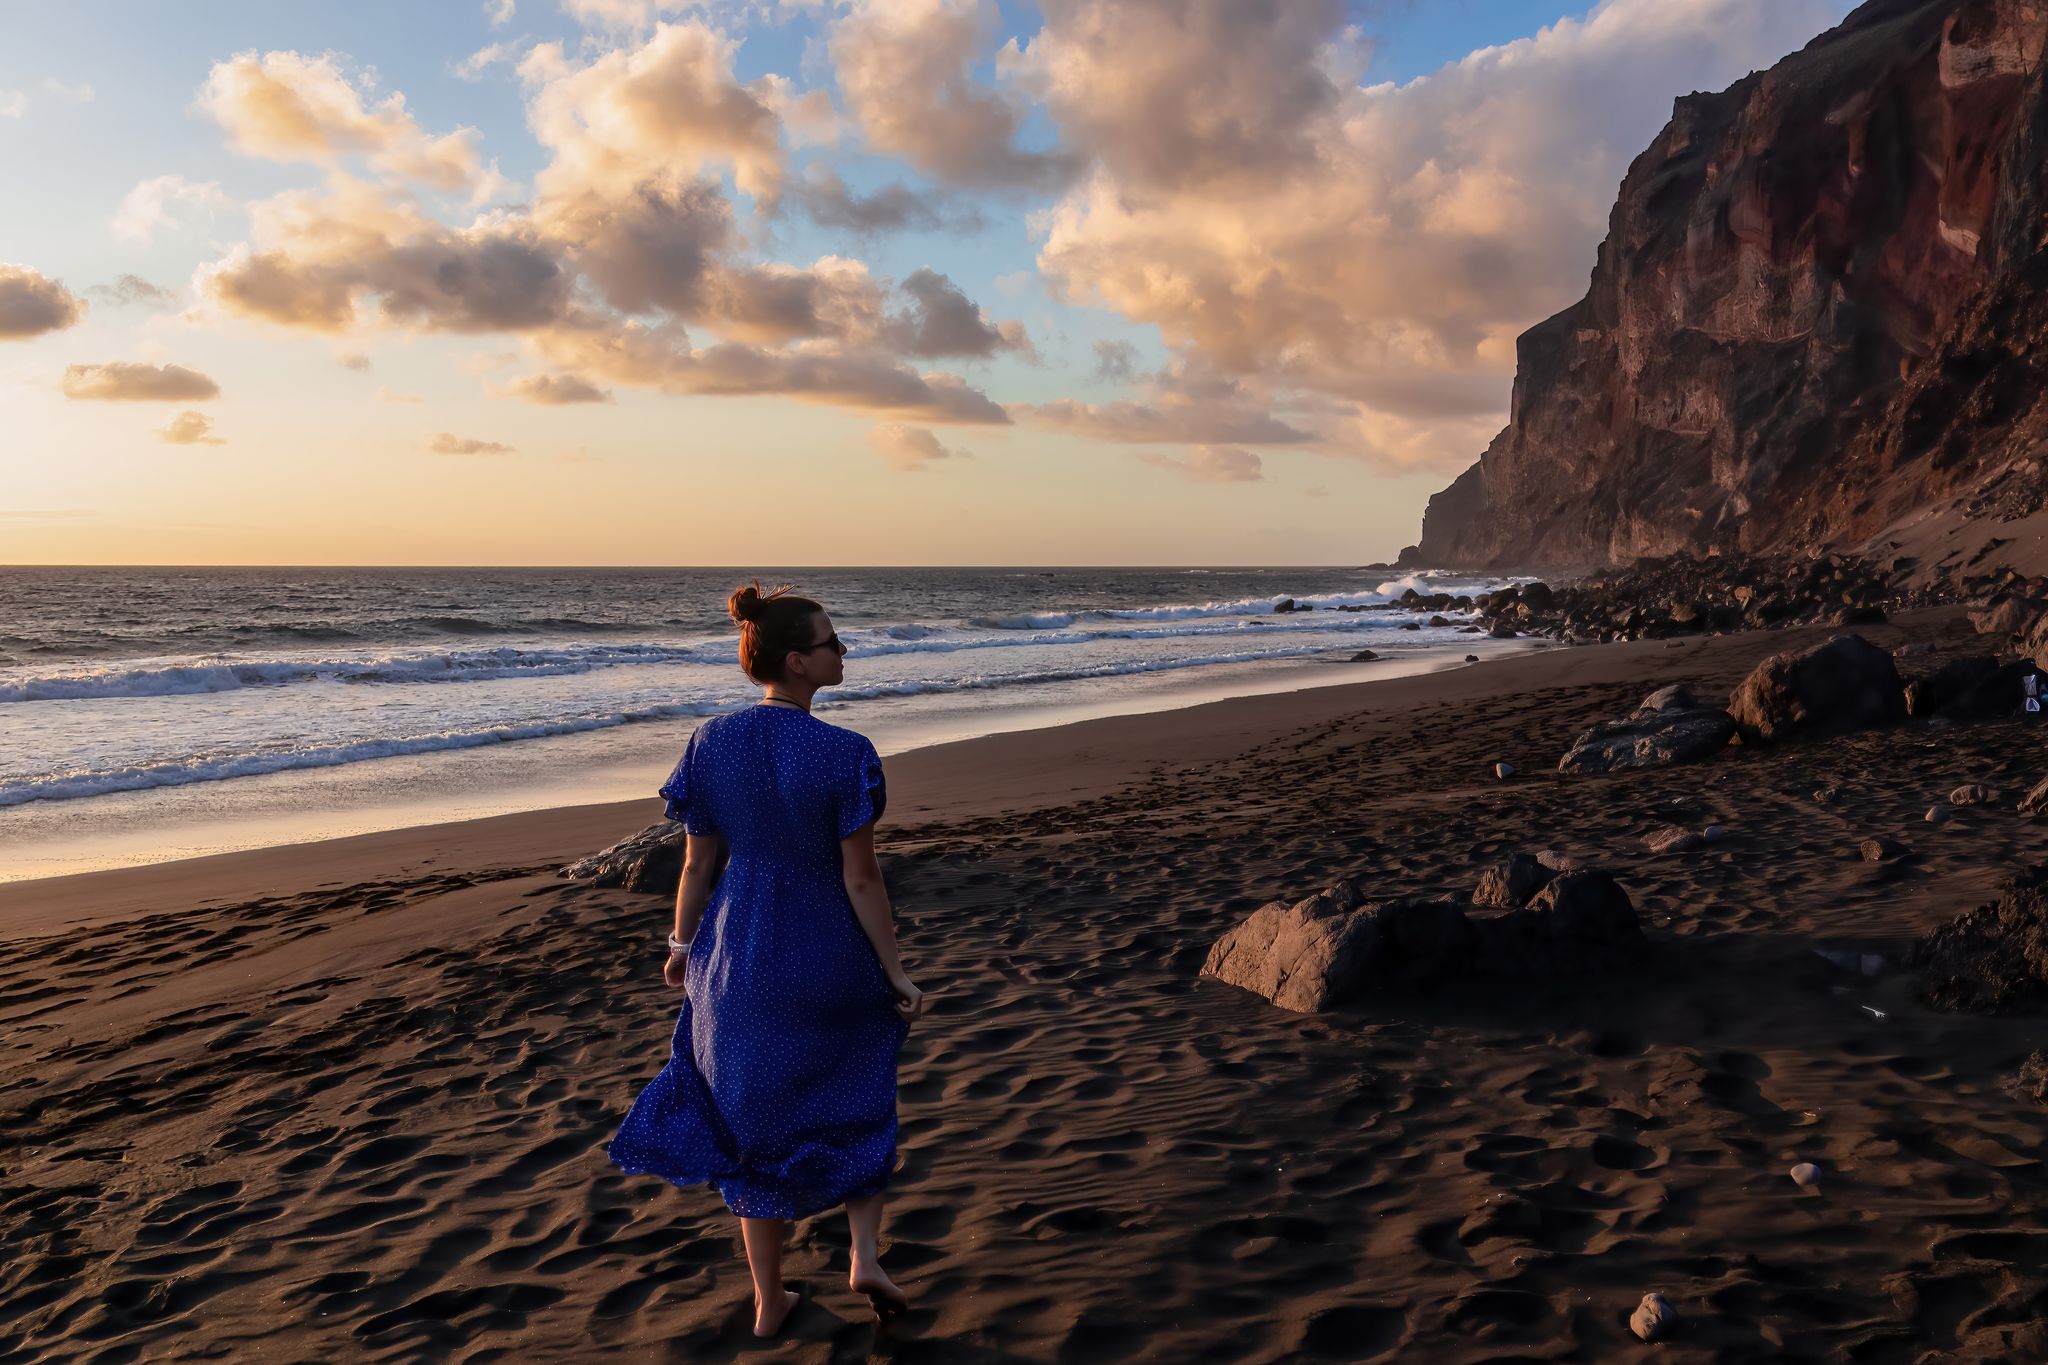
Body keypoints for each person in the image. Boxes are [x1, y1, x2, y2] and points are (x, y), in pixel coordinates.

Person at [608, 582, 931, 1339]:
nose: (841, 651)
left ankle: (769, 1297)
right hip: (826, 951)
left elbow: (695, 869)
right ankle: (862, 1253)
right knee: (860, 1094)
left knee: (750, 1125)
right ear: (796, 660)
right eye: (830, 642)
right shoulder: (845, 754)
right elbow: (860, 878)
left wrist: (681, 948)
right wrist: (895, 969)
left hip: (737, 959)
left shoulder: (710, 743)